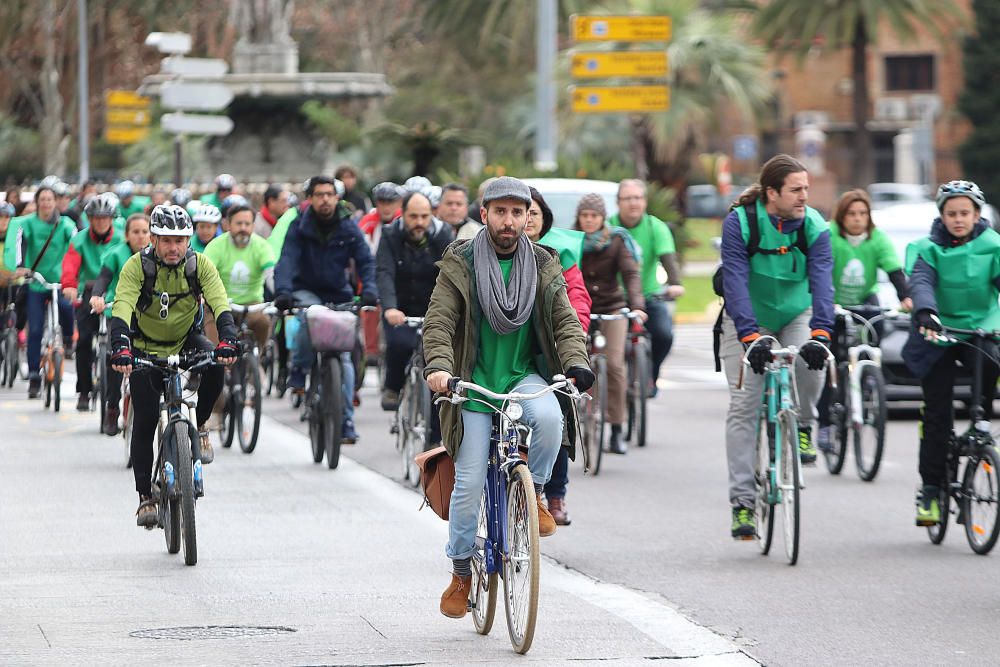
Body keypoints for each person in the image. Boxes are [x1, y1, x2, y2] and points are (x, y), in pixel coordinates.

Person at [422, 176, 593, 619]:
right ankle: (461, 571)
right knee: (469, 483)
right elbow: (439, 321)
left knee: (551, 418)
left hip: (523, 376)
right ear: (485, 214)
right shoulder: (459, 263)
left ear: (528, 217)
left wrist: (576, 363)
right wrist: (439, 369)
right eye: (501, 211)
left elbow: (565, 320)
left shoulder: (544, 263)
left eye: (519, 212)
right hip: (473, 385)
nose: (510, 220)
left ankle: (532, 493)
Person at [718, 154, 833, 539]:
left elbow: (822, 282)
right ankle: (743, 504)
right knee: (744, 407)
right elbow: (733, 280)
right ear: (772, 193)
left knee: (811, 362)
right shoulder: (741, 222)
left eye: (807, 189)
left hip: (796, 313)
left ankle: (803, 422)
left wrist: (821, 333)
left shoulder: (814, 225)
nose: (804, 196)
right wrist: (750, 337)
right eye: (796, 189)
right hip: (748, 316)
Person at [108, 204, 238, 527]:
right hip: (143, 347)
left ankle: (202, 422)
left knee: (216, 364)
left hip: (185, 340)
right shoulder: (137, 267)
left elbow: (220, 301)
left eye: (180, 240)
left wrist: (228, 338)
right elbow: (123, 305)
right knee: (147, 417)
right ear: (152, 238)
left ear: (188, 240)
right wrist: (121, 347)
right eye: (166, 240)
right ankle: (144, 496)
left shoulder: (199, 265)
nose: (173, 247)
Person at [902, 180, 1000, 527]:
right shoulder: (928, 249)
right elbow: (922, 282)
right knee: (937, 417)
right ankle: (930, 490)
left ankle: (980, 425)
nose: (958, 219)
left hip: (981, 329)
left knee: (990, 365)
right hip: (938, 332)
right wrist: (926, 312)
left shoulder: (993, 246)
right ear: (941, 216)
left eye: (965, 213)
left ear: (977, 214)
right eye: (951, 214)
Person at [273, 175, 377, 445]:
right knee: (310, 317)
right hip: (305, 290)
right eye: (319, 195)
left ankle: (346, 422)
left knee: (343, 358)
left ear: (337, 197)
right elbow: (286, 260)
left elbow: (365, 260)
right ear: (310, 198)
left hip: (338, 293)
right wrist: (283, 292)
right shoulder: (298, 226)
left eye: (330, 194)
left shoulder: (348, 225)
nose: (325, 199)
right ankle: (299, 367)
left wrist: (370, 291)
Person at [816, 189, 911, 450]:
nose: (858, 219)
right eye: (851, 214)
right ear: (841, 216)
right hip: (833, 302)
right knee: (830, 364)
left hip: (865, 301)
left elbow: (894, 269)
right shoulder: (830, 236)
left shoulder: (877, 238)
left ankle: (869, 378)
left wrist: (906, 297)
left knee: (878, 324)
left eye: (863, 214)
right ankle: (825, 424)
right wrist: (826, 301)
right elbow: (820, 270)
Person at [525, 187, 591, 526]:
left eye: (534, 213)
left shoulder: (559, 253)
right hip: (510, 357)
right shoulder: (488, 253)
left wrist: (575, 329)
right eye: (522, 212)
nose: (526, 219)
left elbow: (576, 295)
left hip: (550, 350)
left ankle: (554, 494)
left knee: (558, 413)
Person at [576, 193, 647, 455]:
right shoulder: (571, 240)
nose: (589, 221)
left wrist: (637, 307)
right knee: (573, 364)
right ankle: (572, 422)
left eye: (594, 216)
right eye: (585, 216)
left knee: (615, 365)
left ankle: (616, 429)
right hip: (580, 310)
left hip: (612, 309)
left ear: (602, 218)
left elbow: (630, 273)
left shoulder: (617, 240)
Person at [375, 190, 453, 412]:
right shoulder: (390, 234)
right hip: (400, 309)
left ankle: (437, 436)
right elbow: (384, 272)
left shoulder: (443, 234)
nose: (419, 222)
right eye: (413, 216)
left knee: (439, 365)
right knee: (400, 344)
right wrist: (390, 308)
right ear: (403, 214)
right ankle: (393, 386)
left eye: (424, 216)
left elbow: (452, 273)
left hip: (434, 309)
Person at [608, 179, 684, 396]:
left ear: (645, 202)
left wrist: (675, 284)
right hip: (616, 299)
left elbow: (669, 260)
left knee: (664, 335)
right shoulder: (608, 227)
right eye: (628, 198)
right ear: (618, 202)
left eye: (638, 198)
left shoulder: (655, 227)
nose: (634, 203)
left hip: (649, 296)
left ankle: (651, 375)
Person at [6, 186, 77, 398]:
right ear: (37, 202)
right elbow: (19, 243)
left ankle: (67, 341)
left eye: (50, 199)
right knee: (35, 329)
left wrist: (74, 275)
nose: (46, 203)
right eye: (42, 199)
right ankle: (35, 375)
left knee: (67, 309)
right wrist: (20, 266)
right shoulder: (27, 223)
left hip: (59, 281)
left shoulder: (65, 224)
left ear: (55, 202)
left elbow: (75, 246)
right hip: (36, 281)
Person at [61, 193, 125, 411]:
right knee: (84, 341)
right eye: (95, 217)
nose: (100, 221)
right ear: (89, 219)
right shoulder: (79, 239)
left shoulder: (122, 239)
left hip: (116, 293)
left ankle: (113, 396)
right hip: (89, 293)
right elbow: (70, 266)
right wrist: (69, 285)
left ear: (112, 219)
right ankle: (84, 391)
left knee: (117, 344)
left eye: (105, 217)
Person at [91, 213, 151, 434]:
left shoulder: (156, 256)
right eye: (135, 232)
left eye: (145, 232)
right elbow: (103, 279)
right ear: (126, 235)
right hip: (120, 312)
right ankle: (112, 407)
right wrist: (97, 296)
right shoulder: (116, 254)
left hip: (148, 317)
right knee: (115, 358)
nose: (141, 236)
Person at [203, 202, 276, 351]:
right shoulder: (216, 246)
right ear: (228, 225)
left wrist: (280, 293)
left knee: (264, 322)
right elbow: (204, 275)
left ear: (253, 226)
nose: (243, 228)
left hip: (252, 306)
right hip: (219, 305)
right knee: (217, 352)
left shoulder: (262, 246)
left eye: (247, 224)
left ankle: (256, 361)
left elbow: (271, 275)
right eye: (238, 223)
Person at [359, 182, 403, 251]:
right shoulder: (369, 220)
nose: (386, 207)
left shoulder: (404, 218)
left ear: (399, 203)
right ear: (376, 203)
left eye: (390, 202)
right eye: (382, 202)